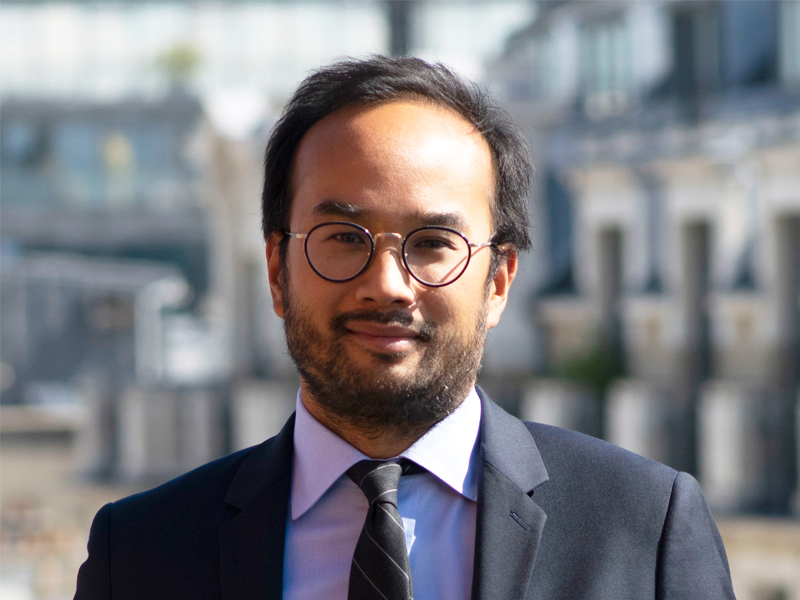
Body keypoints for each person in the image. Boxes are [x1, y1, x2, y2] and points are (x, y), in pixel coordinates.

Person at [74, 55, 736, 600]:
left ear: (499, 281)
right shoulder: (141, 554)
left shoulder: (642, 527)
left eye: (433, 243)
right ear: (276, 270)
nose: (387, 283)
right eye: (343, 237)